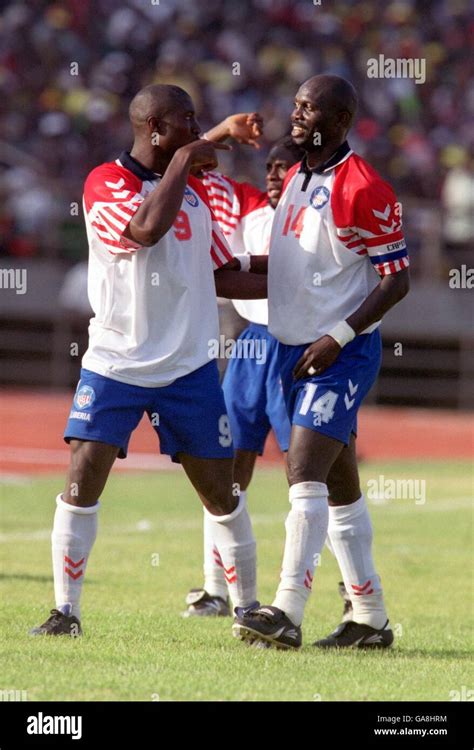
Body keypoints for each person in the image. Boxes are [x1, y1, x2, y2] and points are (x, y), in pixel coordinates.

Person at [30, 84, 267, 637]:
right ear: (156, 130)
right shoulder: (105, 182)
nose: (197, 128)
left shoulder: (192, 193)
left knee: (222, 492)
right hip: (116, 361)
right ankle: (66, 612)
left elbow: (220, 273)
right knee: (83, 476)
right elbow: (142, 230)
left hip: (188, 368)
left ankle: (249, 610)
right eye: (188, 121)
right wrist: (190, 155)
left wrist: (299, 282)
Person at [233, 74, 410, 650]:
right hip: (291, 348)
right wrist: (217, 269)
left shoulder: (363, 187)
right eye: (295, 105)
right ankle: (371, 617)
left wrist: (337, 336)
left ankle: (286, 609)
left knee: (302, 471)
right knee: (342, 489)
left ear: (338, 120)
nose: (296, 115)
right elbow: (287, 266)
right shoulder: (300, 176)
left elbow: (396, 279)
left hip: (339, 353)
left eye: (308, 108)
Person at [182, 136, 302, 617]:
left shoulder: (318, 216)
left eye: (284, 167)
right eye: (269, 166)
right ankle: (215, 588)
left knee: (310, 472)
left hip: (297, 344)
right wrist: (217, 131)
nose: (273, 174)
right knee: (227, 467)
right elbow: (186, 167)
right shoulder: (248, 205)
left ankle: (322, 584)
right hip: (251, 342)